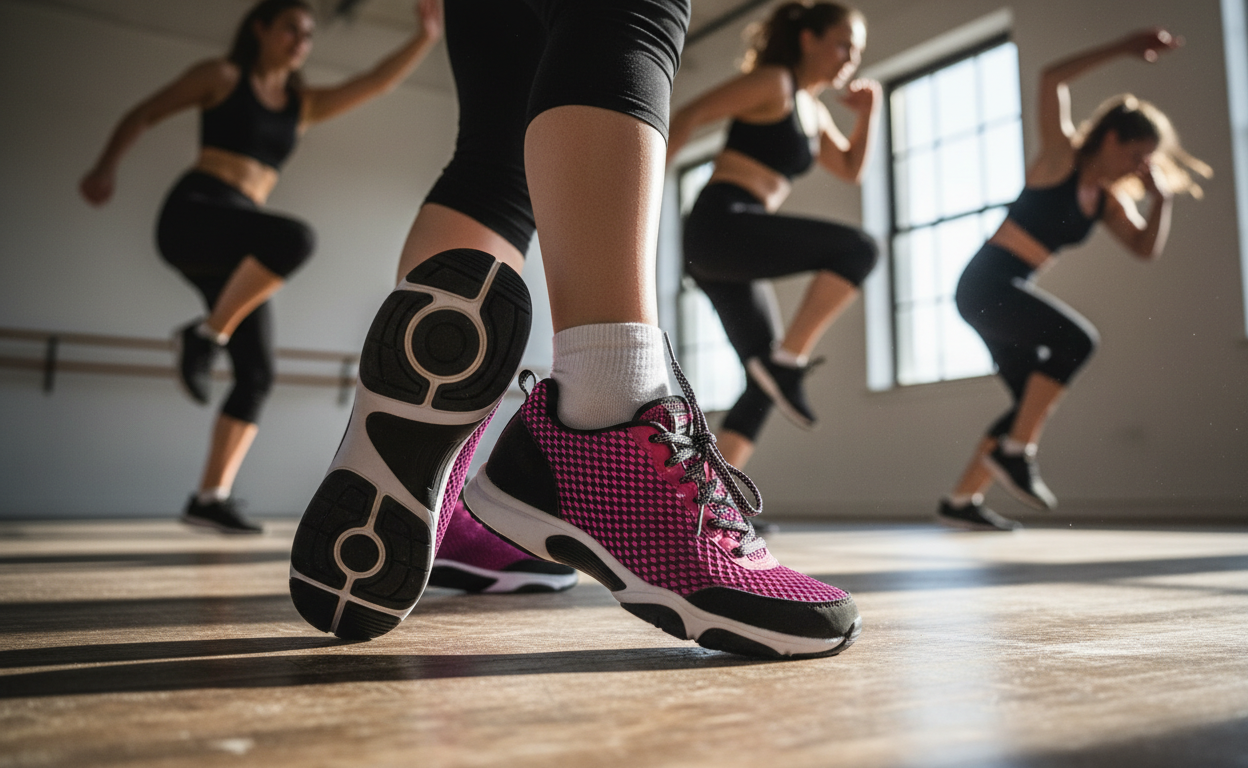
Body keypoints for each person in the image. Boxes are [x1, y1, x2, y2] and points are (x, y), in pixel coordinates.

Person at [289, 0, 861, 659]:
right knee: (631, 13)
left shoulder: (809, 104)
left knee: (496, 159)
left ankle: (451, 497)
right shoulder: (781, 89)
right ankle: (604, 414)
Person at [80, 0, 444, 534]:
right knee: (294, 239)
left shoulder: (302, 105)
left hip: (242, 245)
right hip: (196, 217)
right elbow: (145, 114)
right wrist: (104, 169)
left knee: (257, 373)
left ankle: (209, 496)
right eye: (291, 29)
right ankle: (205, 337)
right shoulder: (223, 76)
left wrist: (425, 38)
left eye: (309, 35)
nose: (301, 41)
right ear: (261, 29)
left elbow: (374, 83)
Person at [938, 29, 1211, 531]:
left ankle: (961, 502)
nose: (1140, 166)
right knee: (1077, 340)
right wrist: (1122, 46)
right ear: (1111, 138)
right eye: (1136, 155)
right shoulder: (1060, 159)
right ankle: (1018, 454)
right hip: (986, 283)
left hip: (1005, 289)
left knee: (1028, 402)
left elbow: (1144, 250)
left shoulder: (1108, 201)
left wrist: (1162, 200)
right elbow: (1051, 78)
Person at [666, 1, 880, 468]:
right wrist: (638, 202)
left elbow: (849, 169)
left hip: (735, 240)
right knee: (858, 250)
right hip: (721, 225)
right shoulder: (775, 83)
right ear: (809, 39)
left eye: (857, 50)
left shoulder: (812, 109)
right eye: (843, 43)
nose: (850, 57)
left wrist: (869, 112)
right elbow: (688, 115)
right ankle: (788, 364)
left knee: (761, 381)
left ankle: (721, 500)